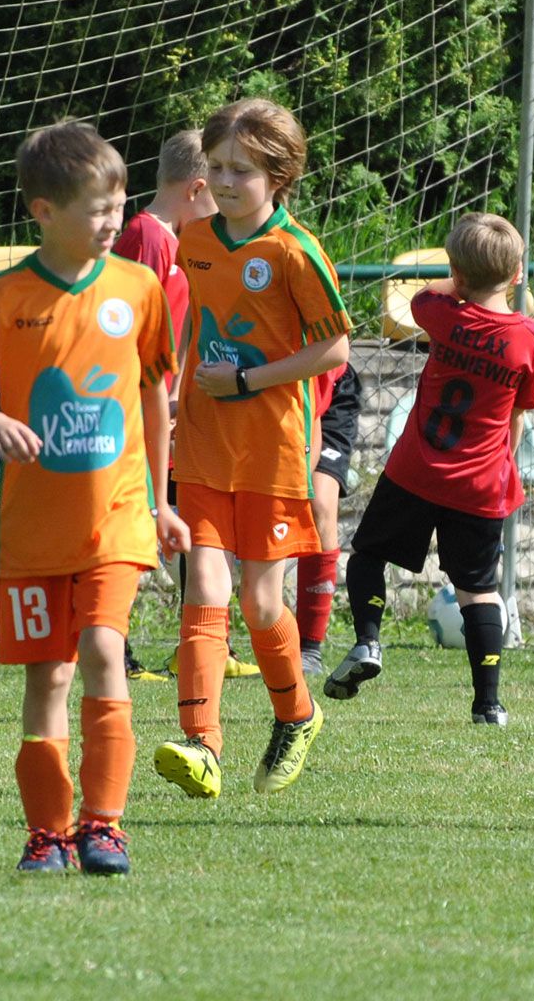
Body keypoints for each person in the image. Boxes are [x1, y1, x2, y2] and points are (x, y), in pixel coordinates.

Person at [0, 119, 189, 874]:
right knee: (50, 675)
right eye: (96, 210)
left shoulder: (138, 288)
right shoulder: (5, 297)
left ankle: (104, 826)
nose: (112, 222)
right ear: (43, 211)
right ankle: (47, 833)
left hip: (117, 518)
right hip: (34, 532)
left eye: (118, 206)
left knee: (105, 649)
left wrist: (161, 502)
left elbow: (154, 397)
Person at [153, 97, 352, 799]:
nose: (225, 181)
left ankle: (297, 715)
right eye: (217, 167)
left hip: (272, 448)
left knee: (261, 601)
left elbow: (335, 349)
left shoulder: (295, 252)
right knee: (205, 586)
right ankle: (202, 744)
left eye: (242, 169)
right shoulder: (195, 238)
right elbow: (196, 321)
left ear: (280, 176)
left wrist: (246, 379)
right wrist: (177, 388)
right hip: (205, 442)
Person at [324, 212, 534, 726]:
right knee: (479, 589)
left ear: (457, 274)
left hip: (417, 470)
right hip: (481, 484)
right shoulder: (527, 339)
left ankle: (368, 641)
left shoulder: (443, 315)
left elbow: (425, 294)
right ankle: (488, 703)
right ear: (517, 274)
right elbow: (517, 415)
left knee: (368, 556)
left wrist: (458, 282)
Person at [112, 128, 261, 684]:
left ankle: (204, 644)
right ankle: (116, 652)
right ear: (198, 188)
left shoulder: (180, 242)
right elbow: (129, 331)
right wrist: (152, 399)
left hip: (168, 407)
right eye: (217, 190)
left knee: (186, 521)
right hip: (135, 410)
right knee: (137, 525)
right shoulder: (147, 238)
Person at [296, 363, 363, 677]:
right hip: (269, 383)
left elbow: (335, 351)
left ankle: (309, 647)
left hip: (328, 387)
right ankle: (219, 640)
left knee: (320, 503)